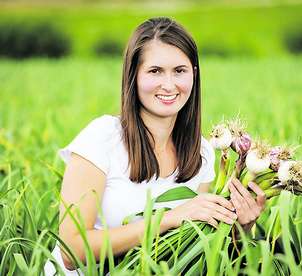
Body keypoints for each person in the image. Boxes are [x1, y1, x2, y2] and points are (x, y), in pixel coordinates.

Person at [44, 16, 266, 275]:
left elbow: (197, 254)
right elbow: (72, 251)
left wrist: (240, 228)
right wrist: (169, 219)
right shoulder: (102, 138)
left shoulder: (202, 153)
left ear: (194, 74)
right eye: (155, 71)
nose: (169, 85)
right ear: (133, 76)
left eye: (180, 71)